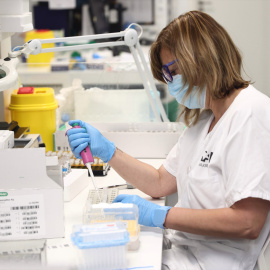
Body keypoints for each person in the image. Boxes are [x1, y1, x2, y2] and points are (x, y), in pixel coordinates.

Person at [66, 10, 270, 270]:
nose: (171, 83)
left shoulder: (251, 113)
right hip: (186, 253)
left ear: (204, 57)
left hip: (217, 262)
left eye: (173, 71)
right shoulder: (206, 121)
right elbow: (160, 182)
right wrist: (107, 151)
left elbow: (248, 223)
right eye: (166, 75)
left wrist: (162, 216)